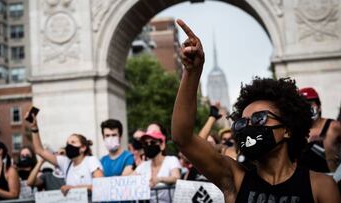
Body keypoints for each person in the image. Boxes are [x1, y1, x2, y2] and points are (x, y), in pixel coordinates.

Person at [171, 19, 340, 202]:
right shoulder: (234, 178)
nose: (248, 127)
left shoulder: (320, 186)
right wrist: (192, 71)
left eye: (259, 118)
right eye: (242, 122)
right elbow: (183, 138)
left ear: (288, 129)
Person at [26, 113, 103, 195]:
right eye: (67, 143)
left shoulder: (91, 161)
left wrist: (73, 189)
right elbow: (39, 150)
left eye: (73, 142)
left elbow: (100, 186)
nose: (69, 145)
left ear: (83, 148)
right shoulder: (66, 162)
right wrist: (34, 127)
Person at [299, 87, 341, 172]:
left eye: (310, 103)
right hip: (306, 183)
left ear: (319, 106)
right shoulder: (296, 131)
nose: (307, 107)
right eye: (303, 104)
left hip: (331, 181)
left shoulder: (333, 126)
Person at [134, 130, 181, 203]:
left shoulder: (171, 160)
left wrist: (160, 179)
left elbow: (176, 178)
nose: (149, 145)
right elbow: (128, 180)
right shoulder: (143, 166)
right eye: (146, 144)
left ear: (162, 145)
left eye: (153, 142)